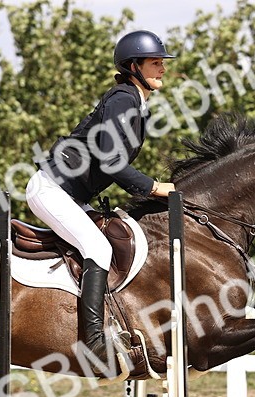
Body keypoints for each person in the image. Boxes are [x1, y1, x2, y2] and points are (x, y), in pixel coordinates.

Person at [26, 29, 177, 368]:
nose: (162, 69)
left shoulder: (134, 104)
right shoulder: (123, 100)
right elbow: (111, 162)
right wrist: (153, 187)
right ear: (133, 66)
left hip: (73, 194)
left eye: (161, 63)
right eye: (155, 63)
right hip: (52, 189)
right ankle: (93, 341)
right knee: (99, 249)